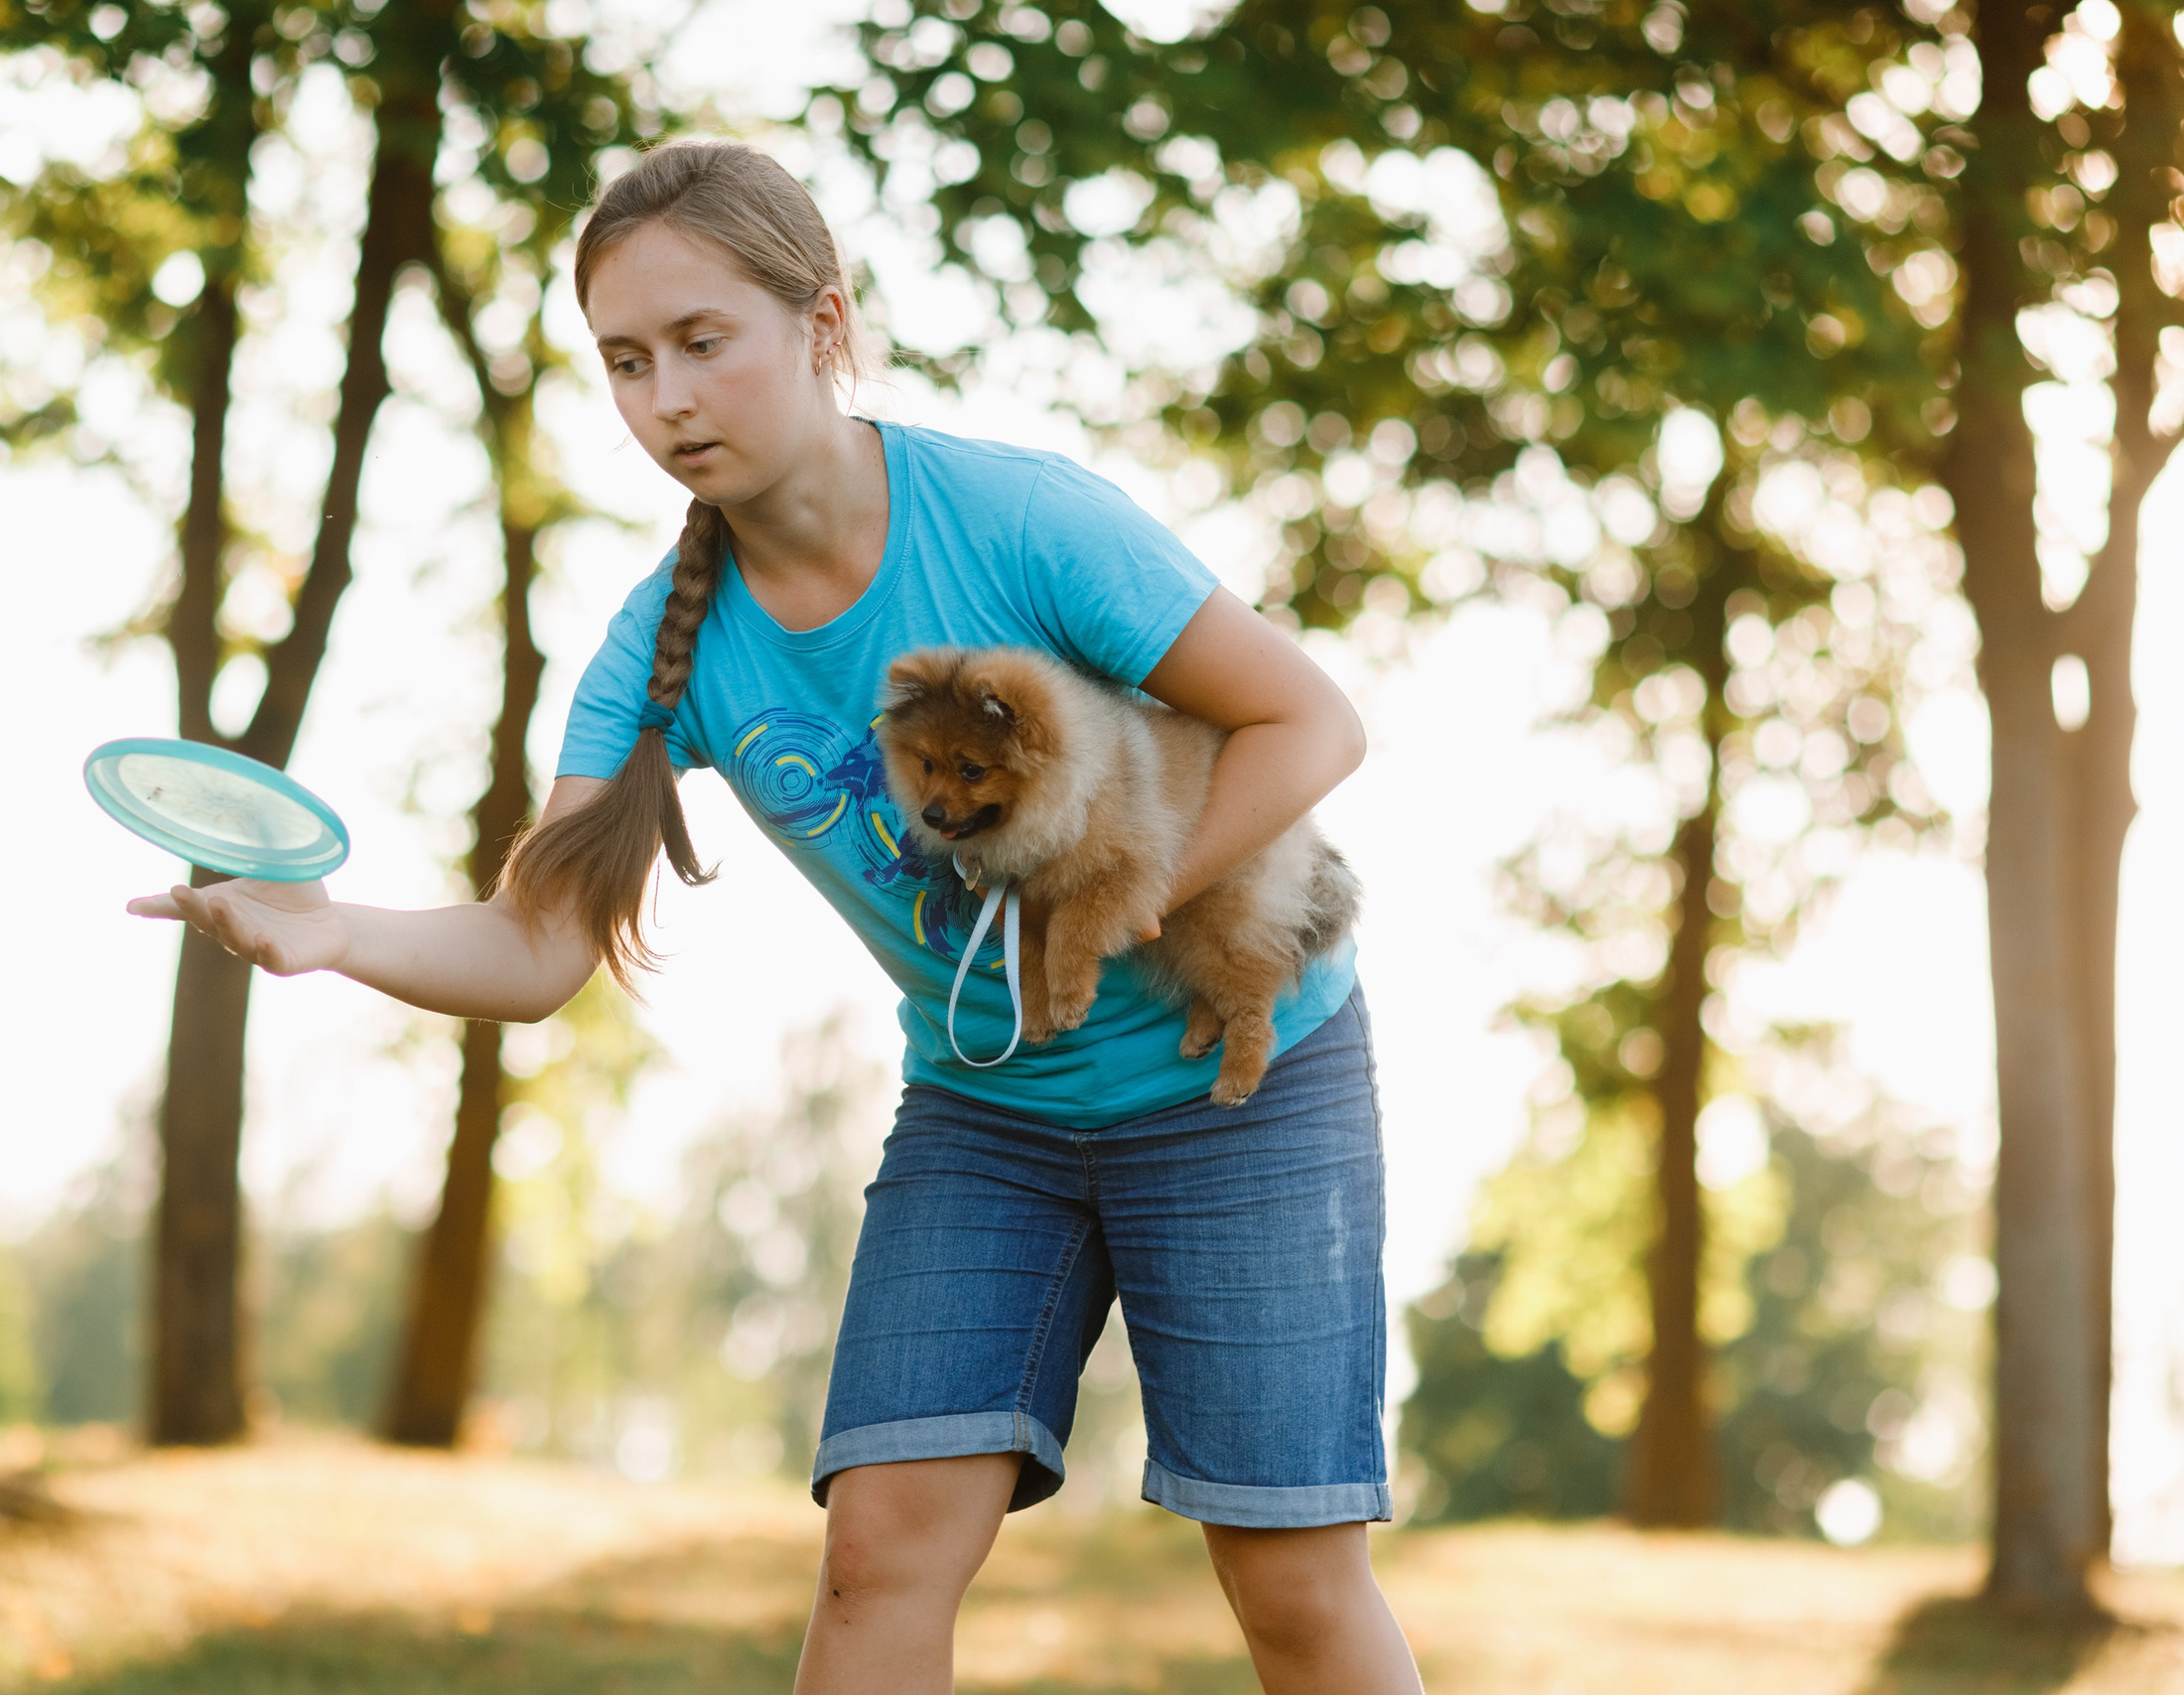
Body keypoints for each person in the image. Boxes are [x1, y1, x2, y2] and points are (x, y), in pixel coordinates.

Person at [132, 139, 1424, 1695]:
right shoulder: (658, 652)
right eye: (624, 363)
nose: (665, 398)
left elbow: (1311, 724)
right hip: (988, 1114)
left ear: (822, 325)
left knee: (1288, 1584)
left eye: (700, 344)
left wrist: (1124, 902)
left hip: (1242, 1090)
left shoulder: (1019, 523)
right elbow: (538, 950)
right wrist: (332, 933)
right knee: (877, 1556)